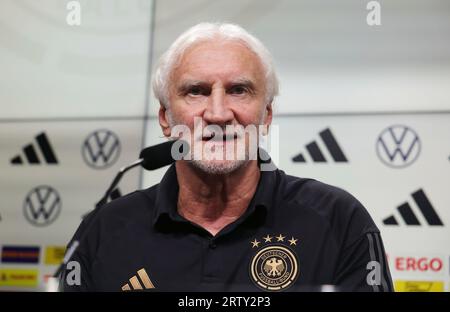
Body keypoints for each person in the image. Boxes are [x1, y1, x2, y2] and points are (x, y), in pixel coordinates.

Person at [61, 22, 393, 292]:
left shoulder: (338, 220)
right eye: (196, 91)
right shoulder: (104, 231)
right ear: (165, 118)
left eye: (238, 90)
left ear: (266, 116)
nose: (219, 114)